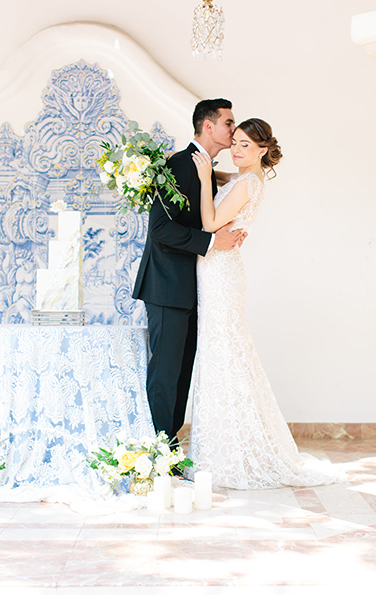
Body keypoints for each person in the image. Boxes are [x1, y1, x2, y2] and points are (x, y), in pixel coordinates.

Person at [189, 118, 341, 489]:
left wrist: (206, 175)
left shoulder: (246, 183)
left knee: (223, 354)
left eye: (244, 145)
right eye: (235, 142)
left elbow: (209, 223)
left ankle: (229, 453)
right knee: (222, 352)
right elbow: (234, 183)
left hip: (221, 273)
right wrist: (218, 177)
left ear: (262, 150)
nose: (236, 149)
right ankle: (226, 445)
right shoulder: (245, 180)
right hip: (219, 271)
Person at [132, 99, 245, 444]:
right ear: (208, 126)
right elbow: (161, 230)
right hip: (167, 287)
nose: (233, 130)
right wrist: (213, 242)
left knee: (181, 374)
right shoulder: (180, 164)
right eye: (228, 123)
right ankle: (155, 452)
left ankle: (168, 447)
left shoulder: (204, 168)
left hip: (194, 288)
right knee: (166, 374)